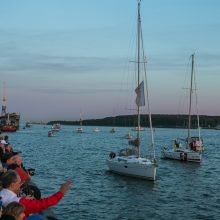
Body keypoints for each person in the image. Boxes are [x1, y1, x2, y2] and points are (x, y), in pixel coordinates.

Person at [0, 170, 71, 218]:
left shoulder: (2, 195)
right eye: (19, 183)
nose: (21, 185)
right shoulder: (17, 202)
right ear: (12, 185)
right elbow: (42, 204)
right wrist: (61, 192)